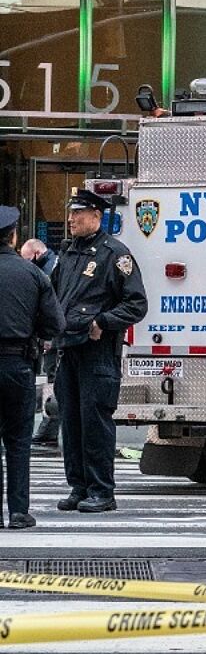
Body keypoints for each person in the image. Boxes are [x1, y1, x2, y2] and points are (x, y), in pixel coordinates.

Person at [51, 189, 147, 514]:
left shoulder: (114, 254)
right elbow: (54, 297)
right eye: (70, 213)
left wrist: (104, 321)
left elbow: (136, 303)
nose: (71, 219)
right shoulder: (67, 253)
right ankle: (79, 487)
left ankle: (102, 491)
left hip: (98, 352)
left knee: (95, 422)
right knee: (71, 421)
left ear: (95, 215)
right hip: (68, 350)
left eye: (78, 213)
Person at [0, 208, 64, 529]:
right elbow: (54, 324)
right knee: (18, 440)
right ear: (13, 237)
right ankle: (18, 511)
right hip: (18, 364)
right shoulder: (34, 275)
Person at [20, 238, 61, 448]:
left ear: (36, 254)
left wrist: (48, 337)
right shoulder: (55, 264)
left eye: (27, 259)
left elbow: (49, 307)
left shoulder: (47, 272)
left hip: (54, 338)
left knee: (53, 382)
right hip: (56, 335)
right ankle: (48, 429)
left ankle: (48, 430)